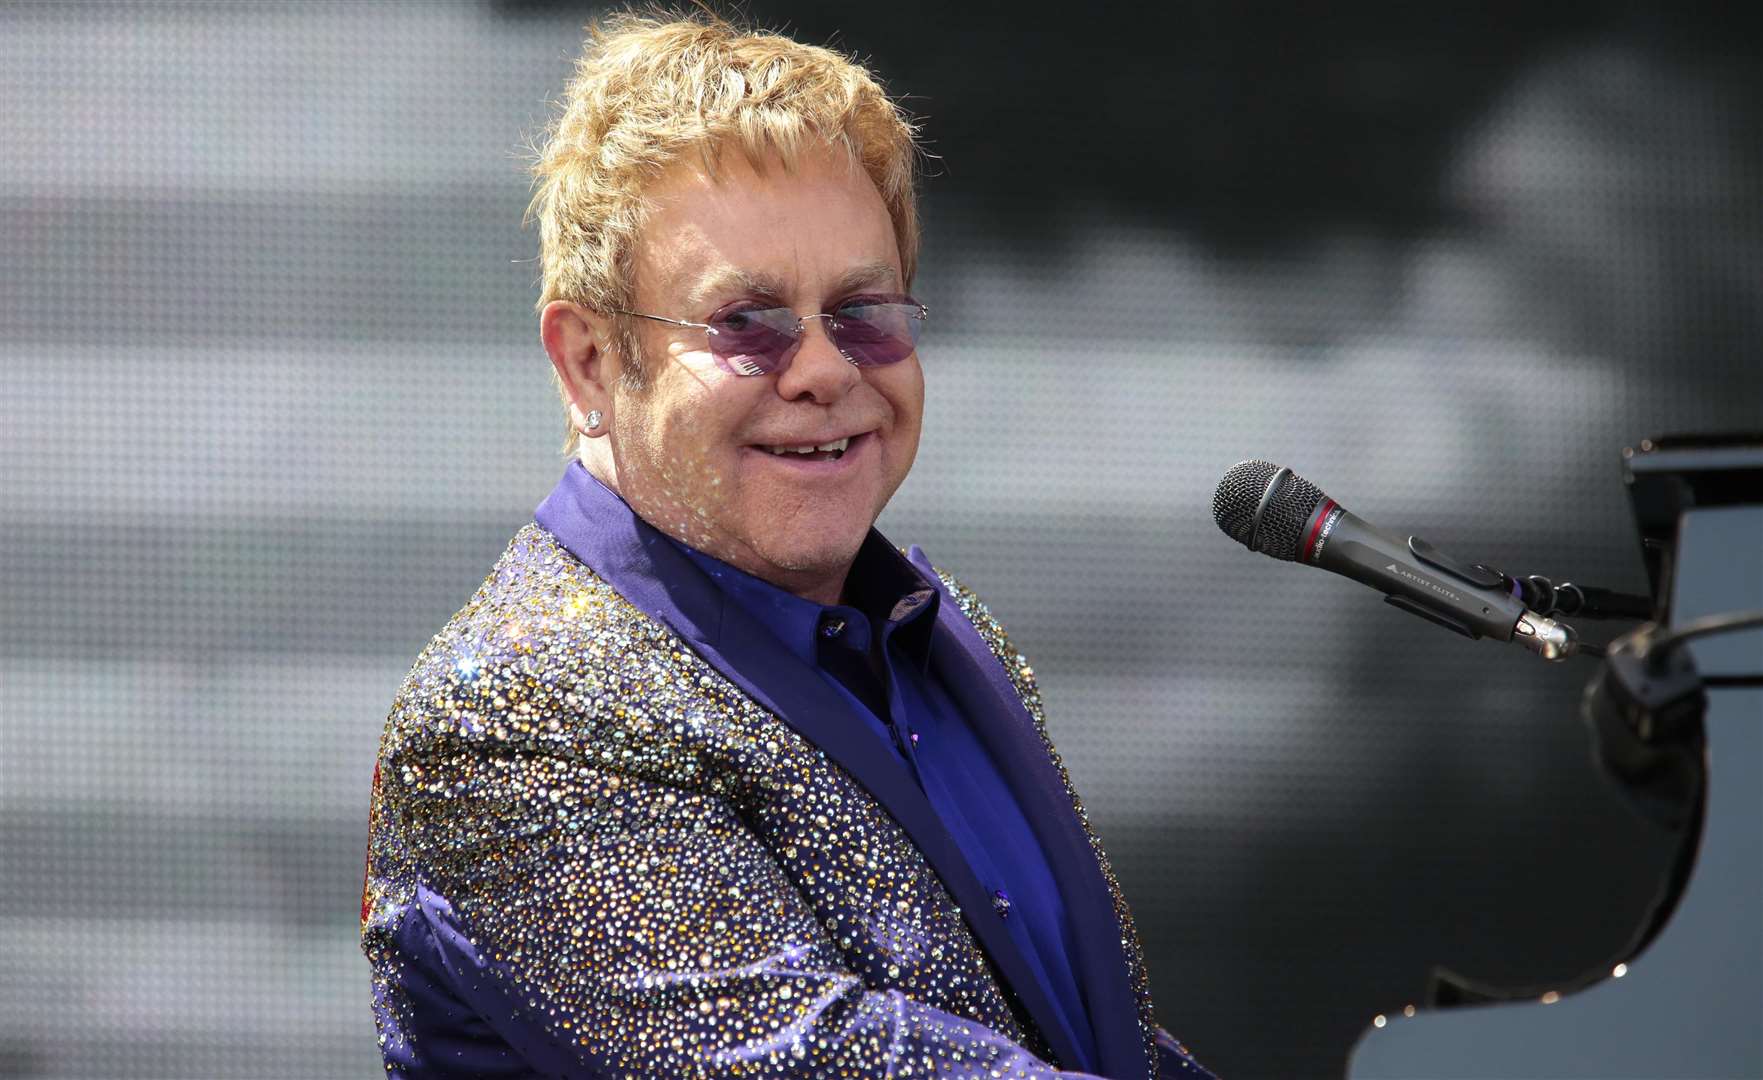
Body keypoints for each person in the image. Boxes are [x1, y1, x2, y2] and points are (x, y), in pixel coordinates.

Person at [360, 11, 1214, 1079]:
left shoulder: (936, 633)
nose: (822, 371)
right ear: (586, 362)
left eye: (861, 311)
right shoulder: (508, 719)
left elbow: (1079, 1038)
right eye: (748, 324)